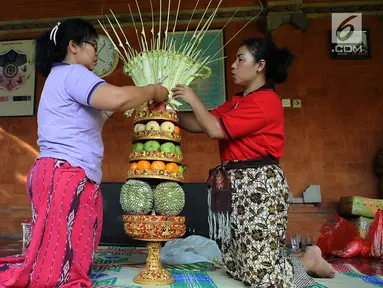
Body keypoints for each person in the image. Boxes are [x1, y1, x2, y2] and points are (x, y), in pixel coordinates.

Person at [0, 18, 168, 287]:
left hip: (53, 171)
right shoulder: (74, 74)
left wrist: (134, 97)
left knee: (59, 252)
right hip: (65, 172)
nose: (96, 51)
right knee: (59, 268)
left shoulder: (60, 78)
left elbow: (103, 112)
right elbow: (115, 99)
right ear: (73, 47)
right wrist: (154, 90)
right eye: (93, 44)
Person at [171, 37, 336, 287]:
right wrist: (165, 110)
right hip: (234, 185)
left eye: (240, 59)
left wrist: (192, 97)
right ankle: (301, 258)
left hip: (259, 185)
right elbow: (200, 123)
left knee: (262, 277)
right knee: (236, 265)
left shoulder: (265, 101)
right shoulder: (237, 101)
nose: (234, 66)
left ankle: (309, 260)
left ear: (260, 65)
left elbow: (215, 129)